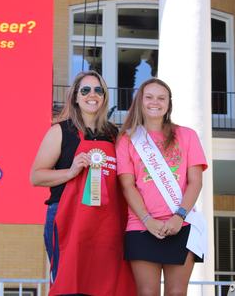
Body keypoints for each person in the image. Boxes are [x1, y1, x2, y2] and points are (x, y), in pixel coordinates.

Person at [30, 70, 136, 296]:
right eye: (85, 90)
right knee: (68, 284)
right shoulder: (60, 131)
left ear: (104, 97)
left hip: (106, 223)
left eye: (98, 90)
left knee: (104, 285)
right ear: (76, 97)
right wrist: (71, 172)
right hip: (66, 217)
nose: (92, 95)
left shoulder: (113, 134)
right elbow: (36, 176)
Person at [116, 78, 208, 296]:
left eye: (161, 98)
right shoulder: (127, 139)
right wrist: (147, 220)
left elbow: (196, 181)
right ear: (140, 101)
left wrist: (179, 216)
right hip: (141, 225)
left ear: (169, 103)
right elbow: (128, 186)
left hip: (182, 225)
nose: (154, 102)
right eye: (149, 97)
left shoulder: (187, 135)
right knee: (147, 292)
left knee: (177, 293)